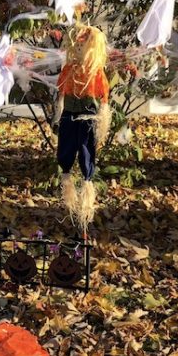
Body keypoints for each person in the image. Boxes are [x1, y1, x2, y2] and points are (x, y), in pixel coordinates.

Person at [53, 24, 110, 234]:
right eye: (75, 47)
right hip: (69, 116)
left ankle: (86, 188)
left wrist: (101, 120)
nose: (78, 51)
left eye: (82, 47)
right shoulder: (68, 70)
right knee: (66, 151)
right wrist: (58, 116)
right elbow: (60, 94)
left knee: (86, 151)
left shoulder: (96, 73)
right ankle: (67, 186)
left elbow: (103, 97)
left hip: (87, 118)